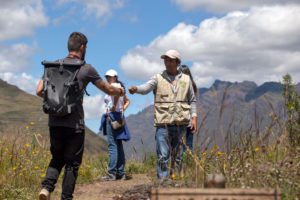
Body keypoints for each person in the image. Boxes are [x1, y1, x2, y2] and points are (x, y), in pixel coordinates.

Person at [36, 32, 124, 200]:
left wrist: (58, 104)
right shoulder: (86, 68)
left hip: (54, 122)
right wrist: (120, 91)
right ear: (82, 47)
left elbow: (39, 91)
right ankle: (66, 198)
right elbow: (107, 89)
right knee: (72, 164)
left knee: (57, 158)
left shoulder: (52, 66)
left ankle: (46, 188)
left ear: (69, 46)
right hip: (74, 125)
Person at [128, 49, 197, 179]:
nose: (167, 63)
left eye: (170, 60)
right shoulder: (157, 78)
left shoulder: (186, 80)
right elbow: (146, 88)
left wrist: (194, 118)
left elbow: (192, 100)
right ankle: (163, 182)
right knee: (162, 156)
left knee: (178, 156)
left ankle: (177, 181)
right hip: (163, 125)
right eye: (166, 60)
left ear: (178, 62)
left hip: (181, 125)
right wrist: (136, 89)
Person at [99, 69, 131, 181]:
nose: (108, 78)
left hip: (112, 116)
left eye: (110, 76)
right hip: (119, 116)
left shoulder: (115, 87)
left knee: (112, 145)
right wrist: (122, 109)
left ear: (115, 77)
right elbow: (127, 101)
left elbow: (117, 96)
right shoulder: (120, 87)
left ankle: (111, 173)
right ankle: (121, 172)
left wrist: (115, 106)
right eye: (107, 76)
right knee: (118, 145)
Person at [179, 65, 198, 152]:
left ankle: (181, 164)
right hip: (190, 120)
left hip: (182, 120)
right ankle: (189, 163)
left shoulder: (182, 84)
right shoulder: (193, 85)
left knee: (181, 145)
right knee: (189, 145)